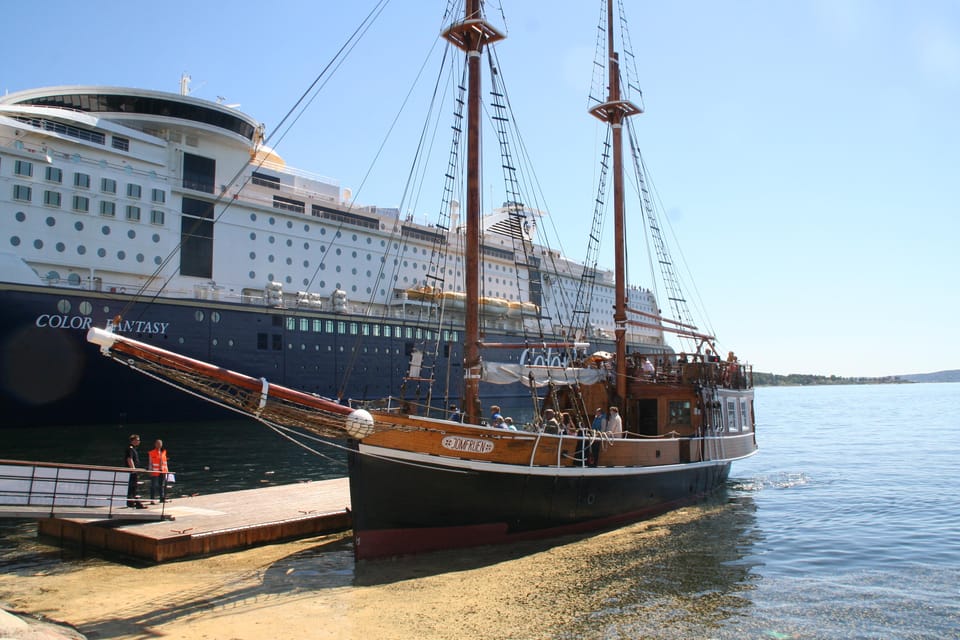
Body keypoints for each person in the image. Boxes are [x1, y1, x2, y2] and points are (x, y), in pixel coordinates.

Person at [125, 434, 145, 508]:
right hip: (132, 471)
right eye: (138, 440)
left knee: (133, 487)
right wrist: (133, 469)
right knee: (133, 486)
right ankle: (133, 502)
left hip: (133, 471)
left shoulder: (133, 448)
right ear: (133, 440)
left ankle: (133, 502)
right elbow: (129, 459)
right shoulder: (130, 448)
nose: (139, 441)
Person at [148, 439, 169, 504]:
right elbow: (150, 463)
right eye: (157, 443)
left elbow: (165, 462)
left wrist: (167, 471)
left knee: (161, 485)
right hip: (155, 472)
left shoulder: (163, 452)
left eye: (160, 444)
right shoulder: (152, 452)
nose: (159, 445)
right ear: (155, 444)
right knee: (153, 486)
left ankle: (162, 498)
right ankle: (152, 499)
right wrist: (150, 471)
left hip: (162, 471)